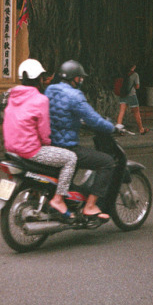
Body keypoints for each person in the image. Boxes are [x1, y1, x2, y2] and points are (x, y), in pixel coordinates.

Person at [3, 59, 78, 221]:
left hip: (11, 149)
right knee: (70, 158)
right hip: (30, 151)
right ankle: (58, 199)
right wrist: (48, 142)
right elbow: (44, 133)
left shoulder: (12, 95)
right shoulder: (40, 100)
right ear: (38, 79)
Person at [45, 60, 116, 221]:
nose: (81, 80)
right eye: (79, 77)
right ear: (74, 78)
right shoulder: (75, 95)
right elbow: (93, 120)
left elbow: (59, 113)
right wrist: (112, 127)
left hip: (51, 145)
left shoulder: (50, 90)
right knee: (107, 162)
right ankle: (90, 206)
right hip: (67, 148)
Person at [117, 64, 149, 135]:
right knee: (136, 112)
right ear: (133, 67)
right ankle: (141, 129)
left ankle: (119, 129)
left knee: (121, 111)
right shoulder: (135, 74)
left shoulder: (123, 73)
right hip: (131, 95)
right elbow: (137, 86)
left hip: (123, 95)